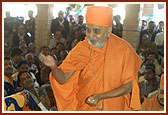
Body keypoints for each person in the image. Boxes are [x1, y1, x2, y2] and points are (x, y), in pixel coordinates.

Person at [39, 6, 142, 111]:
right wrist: (53, 66)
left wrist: (100, 96)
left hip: (114, 108)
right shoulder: (82, 48)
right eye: (88, 30)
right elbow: (62, 79)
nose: (91, 36)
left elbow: (129, 86)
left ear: (109, 31)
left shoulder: (123, 49)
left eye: (96, 31)